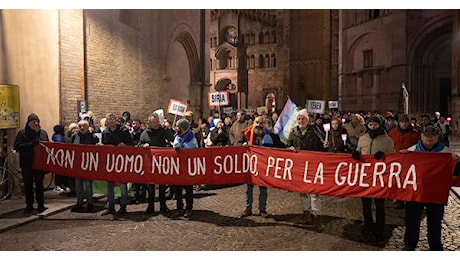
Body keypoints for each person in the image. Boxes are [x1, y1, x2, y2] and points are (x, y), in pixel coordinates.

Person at [401, 125, 458, 250]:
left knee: (435, 222)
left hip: (435, 194)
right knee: (412, 221)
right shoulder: (412, 151)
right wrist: (402, 157)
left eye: (432, 136)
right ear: (421, 136)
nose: (429, 139)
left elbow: (454, 174)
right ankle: (410, 245)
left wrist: (456, 162)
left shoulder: (446, 153)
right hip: (415, 193)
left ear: (438, 137)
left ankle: (435, 246)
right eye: (426, 136)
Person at [352, 116, 395, 244]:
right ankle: (367, 226)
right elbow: (359, 151)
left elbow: (393, 156)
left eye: (375, 125)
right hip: (365, 177)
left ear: (379, 125)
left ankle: (380, 229)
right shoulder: (363, 138)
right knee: (366, 205)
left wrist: (384, 156)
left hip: (379, 178)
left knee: (379, 205)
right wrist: (355, 154)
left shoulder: (387, 140)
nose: (372, 127)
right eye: (370, 124)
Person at [287, 109, 326, 229]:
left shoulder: (315, 130)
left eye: (302, 119)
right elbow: (288, 144)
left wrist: (325, 146)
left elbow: (322, 146)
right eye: (299, 119)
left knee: (314, 192)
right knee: (302, 191)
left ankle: (316, 216)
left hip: (313, 165)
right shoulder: (293, 132)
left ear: (307, 120)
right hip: (300, 165)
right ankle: (306, 213)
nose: (300, 121)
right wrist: (290, 147)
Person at [138, 112, 175, 215]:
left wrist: (166, 129)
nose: (156, 124)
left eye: (157, 122)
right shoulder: (145, 133)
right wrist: (143, 146)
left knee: (162, 185)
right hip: (150, 163)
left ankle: (163, 206)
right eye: (153, 122)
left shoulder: (163, 131)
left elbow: (172, 139)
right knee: (150, 186)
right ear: (149, 123)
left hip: (162, 162)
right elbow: (139, 145)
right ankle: (151, 206)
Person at [14, 113, 49, 214]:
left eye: (37, 121)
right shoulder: (22, 133)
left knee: (39, 185)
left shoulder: (42, 133)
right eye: (33, 122)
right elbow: (17, 147)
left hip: (39, 164)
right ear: (28, 123)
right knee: (28, 185)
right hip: (27, 164)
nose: (36, 123)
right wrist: (31, 144)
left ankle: (41, 205)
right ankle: (29, 205)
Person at [101, 113, 134, 216]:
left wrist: (125, 145)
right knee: (109, 185)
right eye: (108, 119)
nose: (110, 121)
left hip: (121, 162)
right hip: (109, 162)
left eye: (112, 119)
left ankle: (123, 206)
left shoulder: (124, 131)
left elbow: (131, 144)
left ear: (116, 120)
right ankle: (110, 206)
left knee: (122, 185)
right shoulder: (105, 132)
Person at [240, 118, 272, 218]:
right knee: (248, 188)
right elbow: (238, 142)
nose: (258, 125)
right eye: (257, 122)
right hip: (250, 164)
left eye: (261, 123)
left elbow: (277, 146)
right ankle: (248, 208)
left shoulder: (268, 134)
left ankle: (262, 209)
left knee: (263, 188)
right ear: (253, 123)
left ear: (264, 124)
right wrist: (243, 145)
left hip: (263, 165)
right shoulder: (247, 133)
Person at [388, 114, 420, 209]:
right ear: (399, 122)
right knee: (397, 180)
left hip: (409, 162)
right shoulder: (392, 133)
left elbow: (418, 147)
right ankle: (398, 199)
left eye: (406, 122)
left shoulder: (415, 134)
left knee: (408, 181)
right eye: (402, 122)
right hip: (396, 161)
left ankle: (408, 198)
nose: (404, 124)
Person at [70, 120, 99, 213]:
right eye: (80, 126)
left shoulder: (93, 137)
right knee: (78, 184)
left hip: (89, 164)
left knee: (88, 184)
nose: (82, 128)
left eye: (84, 126)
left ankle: (90, 203)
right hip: (78, 164)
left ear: (88, 127)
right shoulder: (75, 136)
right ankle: (79, 202)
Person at [172, 118, 198, 218]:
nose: (176, 128)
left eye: (178, 126)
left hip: (188, 166)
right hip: (178, 166)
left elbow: (193, 148)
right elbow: (175, 144)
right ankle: (179, 207)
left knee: (188, 189)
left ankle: (189, 208)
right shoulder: (177, 136)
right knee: (177, 188)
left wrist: (183, 147)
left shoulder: (191, 137)